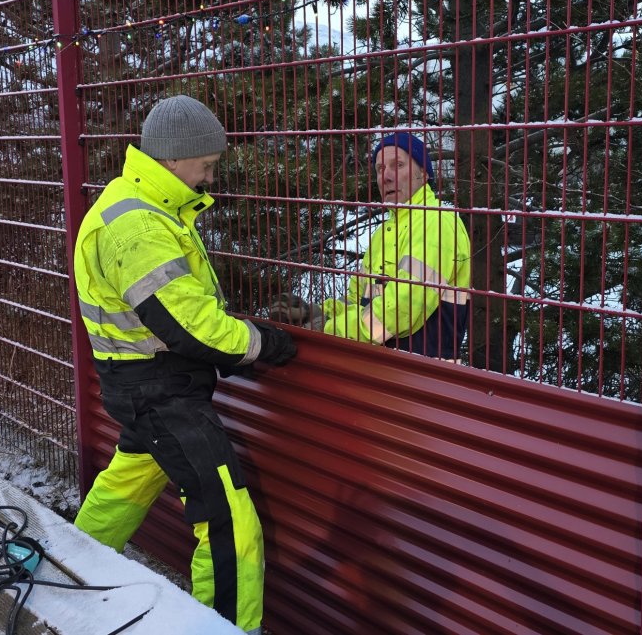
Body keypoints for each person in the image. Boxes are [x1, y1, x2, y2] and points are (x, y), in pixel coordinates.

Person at [71, 94, 295, 634]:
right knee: (231, 525)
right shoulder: (139, 227)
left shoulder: (143, 204)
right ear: (175, 157)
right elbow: (188, 324)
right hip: (161, 392)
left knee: (123, 487)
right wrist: (263, 343)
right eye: (207, 165)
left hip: (143, 384)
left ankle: (67, 566)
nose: (209, 177)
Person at [320, 131, 471, 360]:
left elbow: (402, 309)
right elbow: (357, 298)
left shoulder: (437, 222)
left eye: (397, 165)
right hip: (385, 370)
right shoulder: (384, 234)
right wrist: (323, 313)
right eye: (380, 169)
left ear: (424, 173)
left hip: (425, 376)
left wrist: (331, 328)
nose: (386, 176)